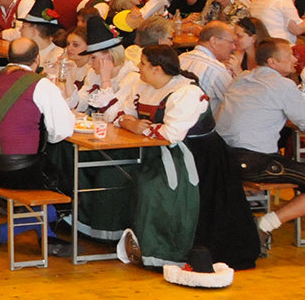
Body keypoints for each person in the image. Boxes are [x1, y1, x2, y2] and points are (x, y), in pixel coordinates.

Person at [0, 38, 77, 250]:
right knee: (63, 183)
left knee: (49, 175)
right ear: (37, 59)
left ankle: (37, 236)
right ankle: (26, 233)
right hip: (16, 170)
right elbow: (62, 131)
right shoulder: (41, 85)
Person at [111, 46, 213, 269]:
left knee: (154, 189)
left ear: (157, 69)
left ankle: (162, 251)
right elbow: (121, 113)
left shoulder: (187, 92)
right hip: (151, 150)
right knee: (114, 174)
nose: (139, 68)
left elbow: (172, 134)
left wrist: (138, 128)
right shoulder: (143, 85)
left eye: (143, 64)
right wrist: (130, 123)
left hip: (191, 156)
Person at [214, 38, 305, 256]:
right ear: (273, 62)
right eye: (289, 55)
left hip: (221, 156)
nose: (295, 58)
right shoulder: (282, 85)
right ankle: (265, 225)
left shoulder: (243, 78)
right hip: (253, 160)